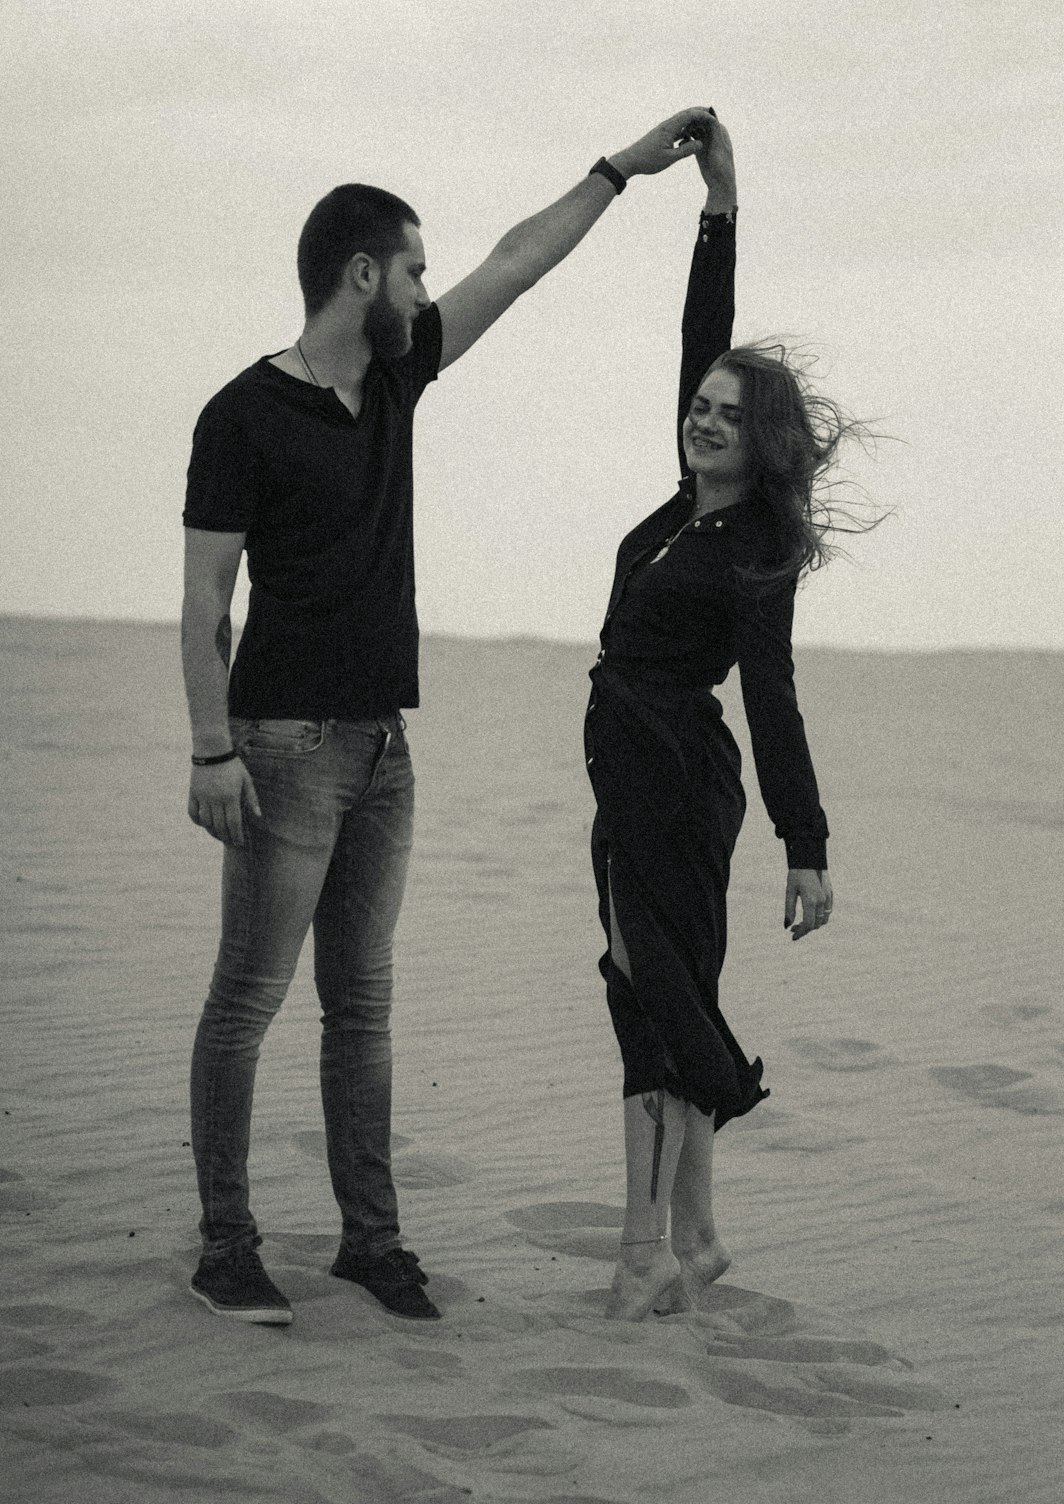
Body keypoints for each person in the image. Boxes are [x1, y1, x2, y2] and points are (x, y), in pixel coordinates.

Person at [181, 109, 713, 1327]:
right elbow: (207, 597)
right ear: (361, 274)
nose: (429, 288)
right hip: (280, 747)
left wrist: (618, 173)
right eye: (413, 267)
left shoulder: (401, 378)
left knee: (362, 1004)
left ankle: (371, 1241)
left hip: (382, 748)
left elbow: (518, 264)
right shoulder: (243, 415)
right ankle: (226, 1244)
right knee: (247, 999)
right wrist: (210, 745)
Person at [584, 115, 864, 1321]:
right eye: (699, 405)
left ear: (765, 442)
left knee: (652, 989)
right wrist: (718, 203)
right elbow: (705, 334)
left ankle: (649, 1244)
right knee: (658, 986)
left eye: (728, 413)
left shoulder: (752, 548)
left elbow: (773, 691)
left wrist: (806, 844)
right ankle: (689, 1233)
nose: (704, 418)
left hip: (674, 775)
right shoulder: (683, 503)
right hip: (633, 769)